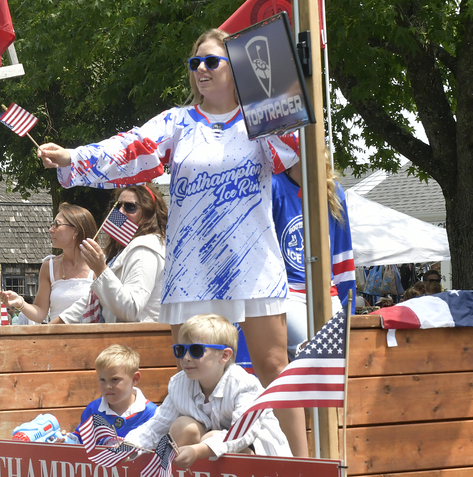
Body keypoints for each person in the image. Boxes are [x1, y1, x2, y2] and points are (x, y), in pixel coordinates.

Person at [38, 28, 308, 455]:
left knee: (275, 366)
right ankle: (199, 469)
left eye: (212, 61)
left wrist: (289, 80)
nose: (200, 69)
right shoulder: (177, 123)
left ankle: (302, 470)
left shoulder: (263, 120)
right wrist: (74, 156)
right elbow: (128, 149)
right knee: (194, 371)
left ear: (236, 66)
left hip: (251, 259)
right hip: (193, 266)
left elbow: (299, 149)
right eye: (194, 62)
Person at [125, 313, 288, 467]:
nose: (186, 357)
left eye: (196, 350)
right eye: (180, 350)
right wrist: (129, 445)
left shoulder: (245, 385)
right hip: (210, 452)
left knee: (212, 438)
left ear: (224, 356)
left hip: (265, 464)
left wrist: (198, 450)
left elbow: (241, 435)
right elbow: (158, 424)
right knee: (184, 426)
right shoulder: (180, 383)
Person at [269, 162, 355, 356]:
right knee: (314, 352)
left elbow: (342, 249)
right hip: (287, 293)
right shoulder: (274, 184)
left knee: (345, 355)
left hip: (326, 290)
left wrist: (347, 303)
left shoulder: (332, 189)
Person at [66, 185, 167, 324]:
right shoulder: (125, 249)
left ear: (149, 213)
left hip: (135, 341)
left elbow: (130, 308)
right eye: (118, 205)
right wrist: (55, 324)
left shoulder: (144, 248)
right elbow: (94, 297)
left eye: (130, 207)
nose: (120, 212)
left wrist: (100, 270)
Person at [2, 203, 98, 324]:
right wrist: (20, 303)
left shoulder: (98, 265)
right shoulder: (49, 266)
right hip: (56, 339)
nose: (50, 229)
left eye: (57, 224)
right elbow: (40, 313)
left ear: (75, 231)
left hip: (89, 339)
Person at [78, 344, 158, 437]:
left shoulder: (152, 413)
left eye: (115, 379)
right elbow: (80, 442)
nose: (107, 386)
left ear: (135, 378)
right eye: (102, 379)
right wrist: (64, 440)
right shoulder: (92, 410)